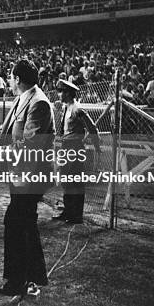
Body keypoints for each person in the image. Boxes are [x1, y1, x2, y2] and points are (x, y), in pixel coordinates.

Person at [0, 59, 55, 302]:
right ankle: (30, 278)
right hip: (20, 172)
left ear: (17, 78)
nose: (9, 80)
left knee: (17, 221)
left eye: (10, 76)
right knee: (25, 224)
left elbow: (30, 144)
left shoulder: (38, 102)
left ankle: (18, 280)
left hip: (30, 174)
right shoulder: (23, 97)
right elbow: (5, 129)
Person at [52, 79, 101, 224]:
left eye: (61, 92)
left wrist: (97, 145)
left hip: (75, 147)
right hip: (67, 146)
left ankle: (76, 215)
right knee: (67, 181)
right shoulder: (67, 108)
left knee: (75, 182)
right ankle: (68, 211)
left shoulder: (77, 109)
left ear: (68, 93)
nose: (59, 94)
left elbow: (92, 128)